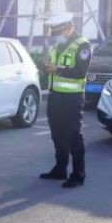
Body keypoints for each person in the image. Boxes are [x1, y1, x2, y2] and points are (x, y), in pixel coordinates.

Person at [40, 13, 93, 188]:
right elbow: (55, 67)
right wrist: (46, 69)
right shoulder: (58, 45)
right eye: (54, 32)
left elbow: (80, 72)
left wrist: (57, 69)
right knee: (57, 134)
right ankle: (60, 168)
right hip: (55, 96)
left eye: (59, 31)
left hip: (72, 98)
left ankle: (78, 174)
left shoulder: (83, 45)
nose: (56, 35)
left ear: (69, 27)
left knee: (73, 136)